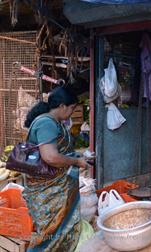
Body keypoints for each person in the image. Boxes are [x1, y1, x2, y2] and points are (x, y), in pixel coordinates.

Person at [22, 87, 94, 252]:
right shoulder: (46, 123)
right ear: (62, 106)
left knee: (58, 230)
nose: (71, 113)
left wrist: (81, 157)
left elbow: (60, 152)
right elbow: (50, 157)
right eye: (72, 109)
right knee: (50, 232)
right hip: (47, 191)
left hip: (56, 187)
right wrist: (76, 161)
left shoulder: (53, 123)